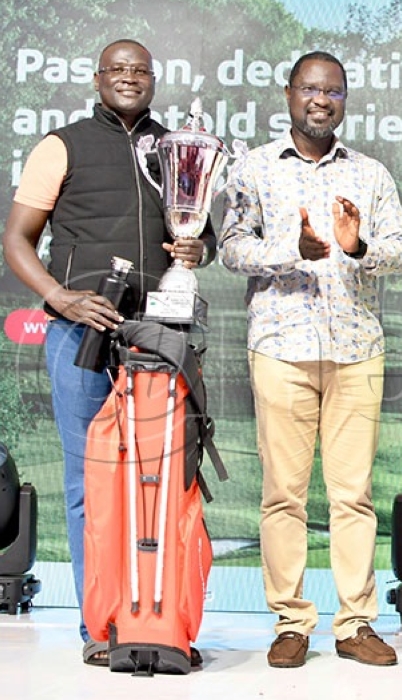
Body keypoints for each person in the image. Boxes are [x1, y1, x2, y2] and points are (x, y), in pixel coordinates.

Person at [1, 39, 212, 667]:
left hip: (160, 339)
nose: (128, 79)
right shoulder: (61, 144)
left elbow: (197, 234)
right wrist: (60, 298)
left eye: (139, 71)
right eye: (117, 70)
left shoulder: (177, 149)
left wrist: (197, 252)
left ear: (154, 80)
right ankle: (101, 623)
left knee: (161, 481)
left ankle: (157, 617)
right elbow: (16, 240)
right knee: (86, 482)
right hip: (81, 336)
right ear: (97, 78)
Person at [219, 51, 402, 669]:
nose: (320, 99)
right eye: (309, 88)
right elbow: (230, 247)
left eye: (332, 91)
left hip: (357, 349)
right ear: (288, 95)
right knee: (284, 495)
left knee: (353, 495)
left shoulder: (371, 174)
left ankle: (355, 623)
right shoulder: (254, 169)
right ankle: (291, 622)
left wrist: (357, 248)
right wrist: (291, 249)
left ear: (345, 100)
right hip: (281, 347)